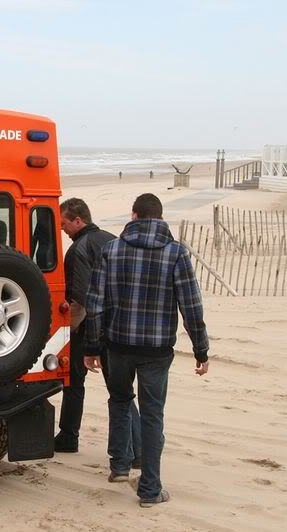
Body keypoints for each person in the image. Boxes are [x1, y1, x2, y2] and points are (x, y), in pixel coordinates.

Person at [84, 193, 209, 507]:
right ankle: (150, 490)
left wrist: (91, 345)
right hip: (156, 348)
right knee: (152, 415)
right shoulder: (176, 253)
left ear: (134, 215)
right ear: (160, 218)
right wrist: (201, 349)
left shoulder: (111, 250)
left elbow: (95, 303)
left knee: (121, 400)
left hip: (118, 344)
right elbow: (191, 306)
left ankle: (119, 465)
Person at [55, 198, 141, 462]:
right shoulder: (113, 241)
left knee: (74, 382)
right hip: (121, 325)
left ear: (78, 220)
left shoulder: (78, 249)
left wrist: (71, 330)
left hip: (90, 328)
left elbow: (82, 298)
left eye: (64, 224)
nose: (63, 230)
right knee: (121, 390)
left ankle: (69, 436)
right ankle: (137, 449)